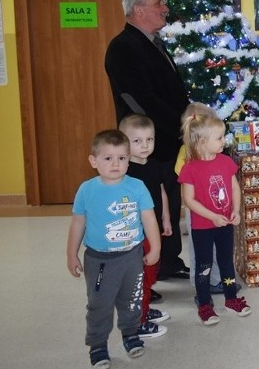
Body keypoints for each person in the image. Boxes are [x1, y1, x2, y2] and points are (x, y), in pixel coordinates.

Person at [105, 0, 191, 281]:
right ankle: (144, 274)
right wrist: (181, 123)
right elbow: (143, 100)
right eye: (159, 4)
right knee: (147, 209)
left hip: (167, 142)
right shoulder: (122, 47)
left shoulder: (153, 41)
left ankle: (168, 261)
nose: (165, 8)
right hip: (145, 146)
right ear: (139, 10)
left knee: (169, 203)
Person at [67, 130, 161, 368]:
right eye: (108, 158)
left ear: (129, 160)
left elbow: (149, 219)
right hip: (99, 260)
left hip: (132, 256)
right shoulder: (86, 190)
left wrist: (155, 247)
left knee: (132, 299)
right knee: (99, 303)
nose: (116, 164)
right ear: (93, 161)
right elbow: (78, 222)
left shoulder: (137, 187)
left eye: (121, 158)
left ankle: (130, 334)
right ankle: (98, 344)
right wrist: (71, 253)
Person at [178, 111, 252, 325]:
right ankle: (204, 303)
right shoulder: (189, 168)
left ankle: (231, 299)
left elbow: (235, 189)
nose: (224, 141)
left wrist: (235, 211)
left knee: (226, 261)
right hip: (203, 226)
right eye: (219, 138)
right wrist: (213, 216)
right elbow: (189, 200)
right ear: (202, 142)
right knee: (204, 265)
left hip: (225, 223)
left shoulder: (226, 161)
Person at [118, 114, 173, 339]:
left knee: (150, 273)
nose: (144, 146)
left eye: (149, 140)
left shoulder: (155, 166)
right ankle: (137, 323)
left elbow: (161, 193)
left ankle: (144, 309)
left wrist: (167, 219)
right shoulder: (124, 171)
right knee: (138, 277)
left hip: (153, 229)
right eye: (137, 141)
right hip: (135, 234)